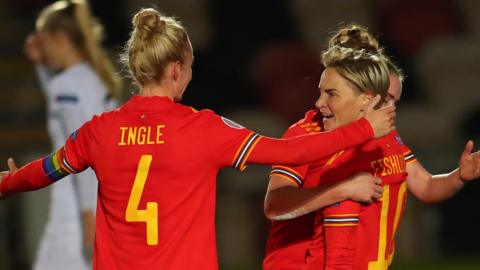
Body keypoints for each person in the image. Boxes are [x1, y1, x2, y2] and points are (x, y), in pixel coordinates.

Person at [0, 9, 396, 270]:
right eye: (189, 66)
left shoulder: (98, 131)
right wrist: (364, 129)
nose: (189, 75)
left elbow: (46, 170)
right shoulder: (204, 129)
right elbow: (290, 151)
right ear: (175, 68)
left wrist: (7, 183)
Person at [262, 24, 480, 270]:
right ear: (366, 97)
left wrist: (459, 175)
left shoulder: (387, 138)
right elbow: (274, 205)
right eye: (384, 99)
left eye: (394, 102)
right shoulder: (305, 133)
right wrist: (342, 190)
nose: (389, 110)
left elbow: (427, 186)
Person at [22, 0, 122, 269]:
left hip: (74, 213)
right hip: (102, 199)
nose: (43, 49)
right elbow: (64, 114)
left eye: (45, 42)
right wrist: (42, 68)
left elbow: (87, 150)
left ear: (62, 39)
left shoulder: (67, 86)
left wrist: (89, 212)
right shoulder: (91, 78)